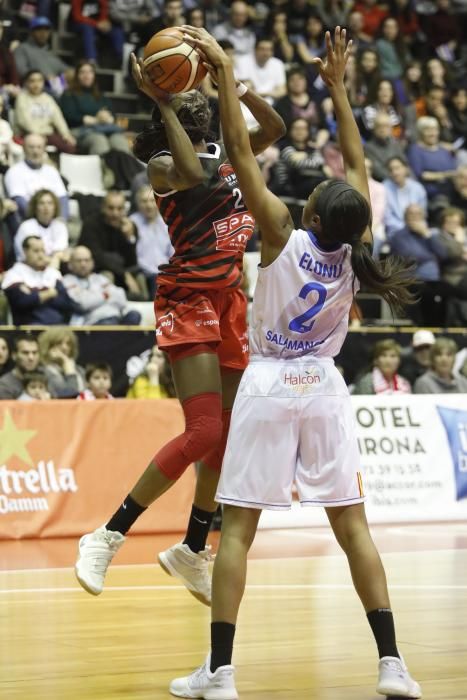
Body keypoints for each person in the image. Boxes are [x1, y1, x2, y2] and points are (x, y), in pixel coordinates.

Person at [169, 26, 421, 699]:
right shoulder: (354, 246)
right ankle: (392, 663)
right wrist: (340, 91)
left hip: (271, 383)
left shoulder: (279, 232)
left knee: (237, 532)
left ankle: (219, 673)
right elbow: (355, 162)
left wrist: (224, 75)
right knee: (353, 528)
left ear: (309, 208)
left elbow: (244, 154)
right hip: (325, 389)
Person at [74, 48, 286, 603]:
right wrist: (165, 98)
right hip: (188, 297)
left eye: (193, 95)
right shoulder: (164, 165)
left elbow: (276, 126)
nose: (192, 97)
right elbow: (192, 172)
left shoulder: (226, 150)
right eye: (181, 93)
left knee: (229, 432)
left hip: (230, 300)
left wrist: (231, 84)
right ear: (165, 107)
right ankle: (107, 534)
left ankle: (193, 546)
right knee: (203, 432)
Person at [59, 60, 130, 156]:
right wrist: (92, 119)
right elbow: (69, 116)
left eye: (90, 72)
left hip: (103, 128)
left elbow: (112, 114)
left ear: (94, 75)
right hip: (80, 130)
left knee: (119, 141)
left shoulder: (100, 95)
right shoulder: (69, 94)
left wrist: (108, 118)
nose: (86, 75)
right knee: (99, 141)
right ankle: (104, 170)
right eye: (82, 72)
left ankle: (126, 169)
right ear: (77, 76)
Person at [2, 236, 77, 325]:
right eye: (36, 251)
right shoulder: (14, 274)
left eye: (43, 251)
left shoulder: (52, 273)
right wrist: (50, 293)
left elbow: (65, 303)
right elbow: (22, 302)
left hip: (58, 325)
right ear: (25, 252)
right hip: (29, 327)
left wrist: (35, 295)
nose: (41, 255)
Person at [4, 133, 69, 221]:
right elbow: (20, 203)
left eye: (39, 147)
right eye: (31, 147)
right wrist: (42, 220)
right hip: (29, 221)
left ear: (44, 149)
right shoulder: (14, 172)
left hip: (53, 221)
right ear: (24, 149)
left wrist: (61, 220)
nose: (36, 151)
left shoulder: (52, 171)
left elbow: (63, 198)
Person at [14, 69, 77, 154]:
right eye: (32, 81)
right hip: (28, 134)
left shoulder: (48, 98)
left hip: (48, 134)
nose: (36, 84)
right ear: (26, 83)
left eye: (39, 80)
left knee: (70, 147)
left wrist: (66, 135)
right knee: (36, 146)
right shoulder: (22, 98)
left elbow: (58, 118)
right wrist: (38, 135)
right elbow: (24, 121)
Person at [129, 186, 173, 300]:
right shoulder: (132, 223)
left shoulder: (166, 222)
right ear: (137, 204)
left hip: (165, 271)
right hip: (143, 272)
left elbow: (172, 252)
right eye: (144, 201)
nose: (148, 205)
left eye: (152, 201)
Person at [14, 189, 70, 267]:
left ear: (55, 207)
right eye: (41, 203)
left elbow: (62, 254)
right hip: (28, 268)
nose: (46, 207)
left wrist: (57, 257)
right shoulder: (26, 226)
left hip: (55, 267)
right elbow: (30, 258)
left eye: (50, 203)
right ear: (35, 207)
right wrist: (55, 259)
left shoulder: (60, 226)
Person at [38, 327, 86, 399]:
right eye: (59, 343)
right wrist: (70, 373)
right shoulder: (42, 372)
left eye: (68, 344)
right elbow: (68, 396)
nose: (64, 347)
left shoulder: (80, 370)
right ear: (48, 347)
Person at [0, 334, 40, 400]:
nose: (31, 358)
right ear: (14, 356)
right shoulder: (5, 385)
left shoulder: (46, 377)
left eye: (34, 353)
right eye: (25, 353)